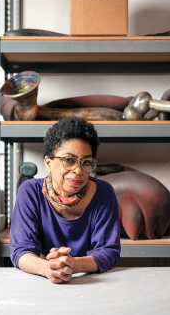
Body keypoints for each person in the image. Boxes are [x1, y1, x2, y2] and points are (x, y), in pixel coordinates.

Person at [10, 117, 121, 283]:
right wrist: (48, 268)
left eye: (86, 162)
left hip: (90, 284)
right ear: (48, 163)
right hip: (43, 283)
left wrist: (72, 265)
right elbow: (21, 250)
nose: (78, 170)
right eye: (69, 160)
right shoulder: (30, 192)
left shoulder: (104, 193)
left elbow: (108, 251)